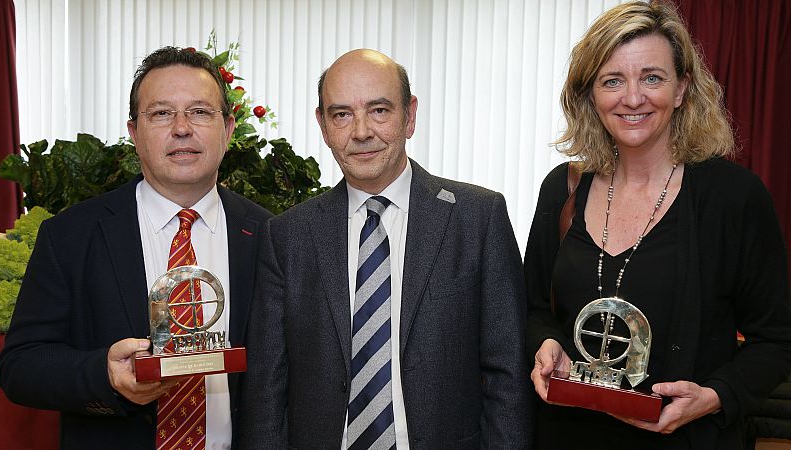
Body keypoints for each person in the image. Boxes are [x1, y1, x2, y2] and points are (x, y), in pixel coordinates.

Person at [525, 1, 791, 449]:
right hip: (567, 434)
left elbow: (777, 342)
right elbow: (535, 308)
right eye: (613, 80)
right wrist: (546, 343)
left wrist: (713, 397)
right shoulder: (562, 189)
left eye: (652, 77)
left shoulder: (734, 198)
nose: (633, 98)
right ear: (590, 94)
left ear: (682, 88)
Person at [238, 49, 530, 449]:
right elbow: (266, 390)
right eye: (342, 114)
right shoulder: (288, 236)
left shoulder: (478, 218)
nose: (361, 132)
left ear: (409, 116)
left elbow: (507, 375)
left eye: (379, 110)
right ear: (323, 125)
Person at [0, 47, 273, 449]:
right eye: (161, 113)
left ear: (228, 129)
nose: (182, 128)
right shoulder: (71, 235)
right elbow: (20, 367)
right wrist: (105, 375)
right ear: (133, 132)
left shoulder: (270, 235)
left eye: (199, 112)